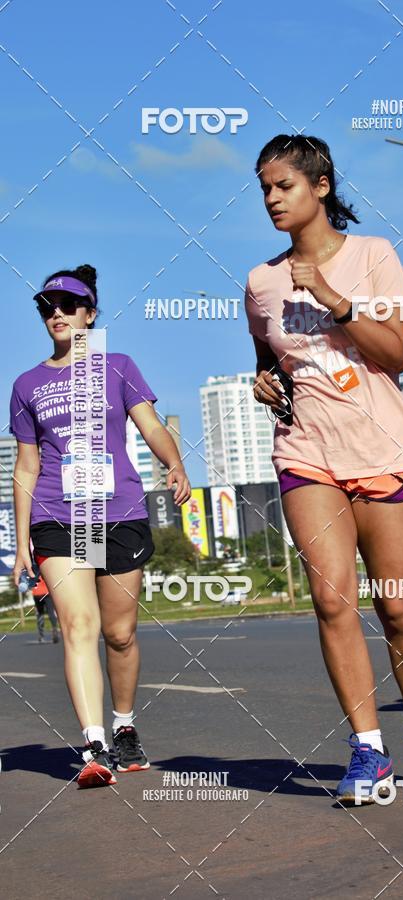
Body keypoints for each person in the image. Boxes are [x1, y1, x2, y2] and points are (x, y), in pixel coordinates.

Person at [244, 134, 403, 804]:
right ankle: (369, 750)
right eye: (265, 188)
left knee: (395, 605)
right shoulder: (260, 281)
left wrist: (337, 301)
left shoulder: (374, 256)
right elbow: (267, 353)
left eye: (284, 186)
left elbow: (397, 355)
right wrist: (264, 379)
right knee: (332, 601)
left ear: (321, 186)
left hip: (385, 451)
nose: (273, 198)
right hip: (308, 454)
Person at [10, 264, 191, 788]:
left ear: (91, 314)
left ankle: (124, 726)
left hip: (118, 513)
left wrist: (174, 464)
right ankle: (93, 746)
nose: (58, 314)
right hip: (58, 516)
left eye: (69, 305)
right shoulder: (27, 384)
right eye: (48, 307)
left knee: (119, 633)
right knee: (79, 626)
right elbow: (26, 466)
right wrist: (22, 543)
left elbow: (151, 424)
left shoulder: (118, 367)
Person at [31, 574, 60, 643]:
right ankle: (54, 629)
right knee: (51, 612)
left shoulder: (32, 570)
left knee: (40, 613)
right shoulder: (45, 568)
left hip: (36, 594)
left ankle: (41, 635)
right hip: (46, 593)